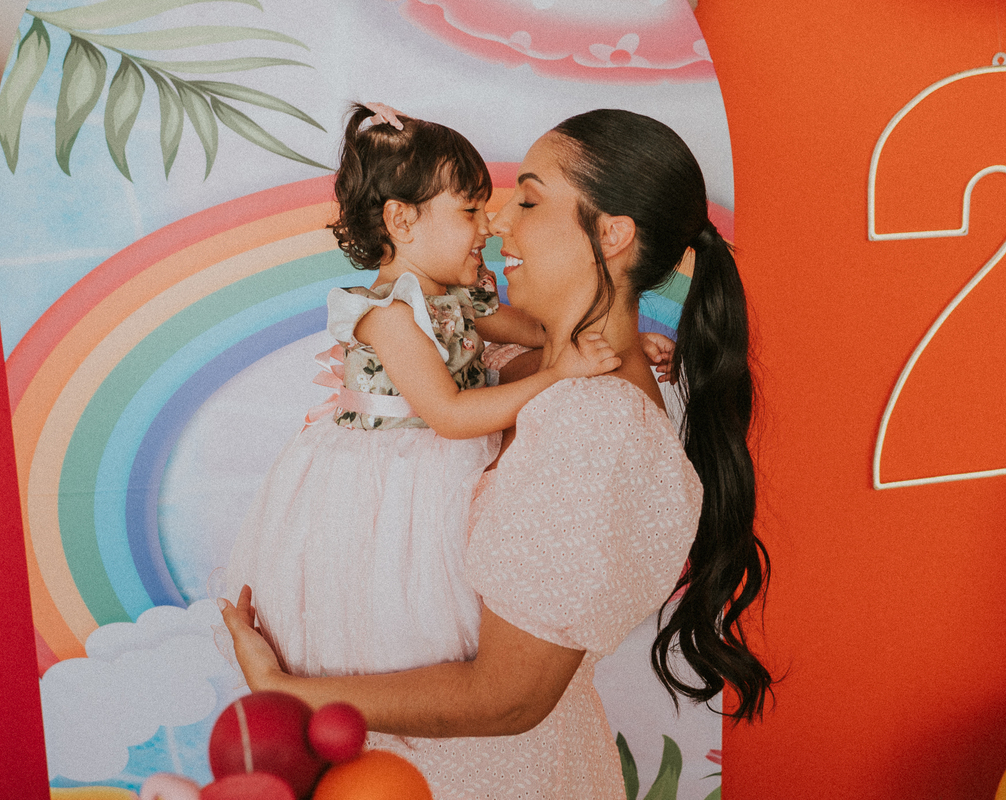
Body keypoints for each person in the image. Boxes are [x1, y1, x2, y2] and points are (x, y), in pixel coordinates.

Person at [221, 108, 772, 799]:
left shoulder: (595, 429)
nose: (499, 223)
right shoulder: (525, 371)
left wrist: (285, 691)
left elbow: (508, 696)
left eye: (529, 202)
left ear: (611, 235)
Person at [224, 103, 618, 682]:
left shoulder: (460, 299)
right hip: (396, 478)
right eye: (470, 210)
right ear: (402, 221)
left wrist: (615, 343)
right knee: (401, 595)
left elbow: (542, 331)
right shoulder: (388, 316)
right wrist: (560, 374)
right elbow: (449, 415)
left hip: (447, 465)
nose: (489, 226)